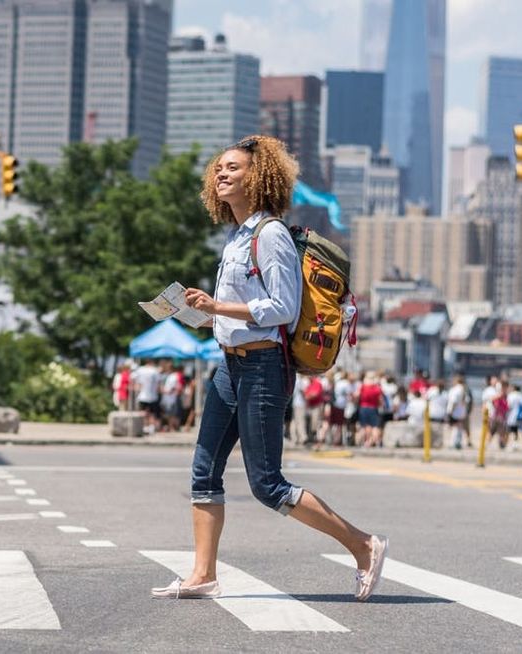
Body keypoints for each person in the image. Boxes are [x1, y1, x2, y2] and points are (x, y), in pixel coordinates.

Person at [151, 135, 387, 602]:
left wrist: (217, 305)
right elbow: (241, 309)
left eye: (233, 168)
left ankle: (363, 545)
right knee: (204, 471)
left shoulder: (270, 234)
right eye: (218, 168)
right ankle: (202, 574)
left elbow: (282, 308)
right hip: (229, 366)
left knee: (267, 484)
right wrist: (202, 313)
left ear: (257, 178)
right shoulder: (237, 237)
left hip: (263, 368)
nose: (221, 174)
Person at [133, 359, 162, 433]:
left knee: (143, 412)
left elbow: (136, 382)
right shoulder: (155, 370)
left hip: (142, 395)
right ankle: (151, 427)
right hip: (153, 395)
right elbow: (158, 384)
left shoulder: (140, 370)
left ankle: (144, 426)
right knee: (152, 413)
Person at [445, 374, 469, 449]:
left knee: (454, 428)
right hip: (461, 411)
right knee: (459, 428)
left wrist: (451, 411)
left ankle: (453, 443)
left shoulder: (455, 389)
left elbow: (453, 401)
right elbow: (467, 401)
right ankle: (458, 442)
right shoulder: (464, 389)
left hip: (455, 411)